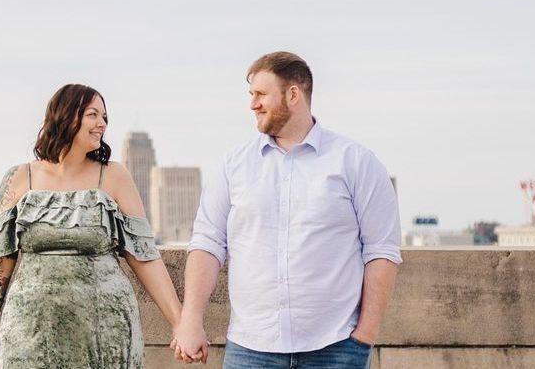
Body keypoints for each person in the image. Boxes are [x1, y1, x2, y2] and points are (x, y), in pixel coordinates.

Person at [171, 51, 402, 369]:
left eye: (261, 94)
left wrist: (364, 335)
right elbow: (208, 243)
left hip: (336, 348)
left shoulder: (356, 162)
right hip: (250, 349)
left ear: (293, 94)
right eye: (251, 95)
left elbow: (381, 250)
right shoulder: (233, 166)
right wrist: (190, 320)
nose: (253, 104)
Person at [0, 83, 191, 369]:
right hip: (28, 332)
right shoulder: (18, 178)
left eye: (105, 117)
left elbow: (144, 255)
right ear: (66, 115)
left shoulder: (114, 176)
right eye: (93, 114)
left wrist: (181, 323)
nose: (102, 123)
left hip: (105, 331)